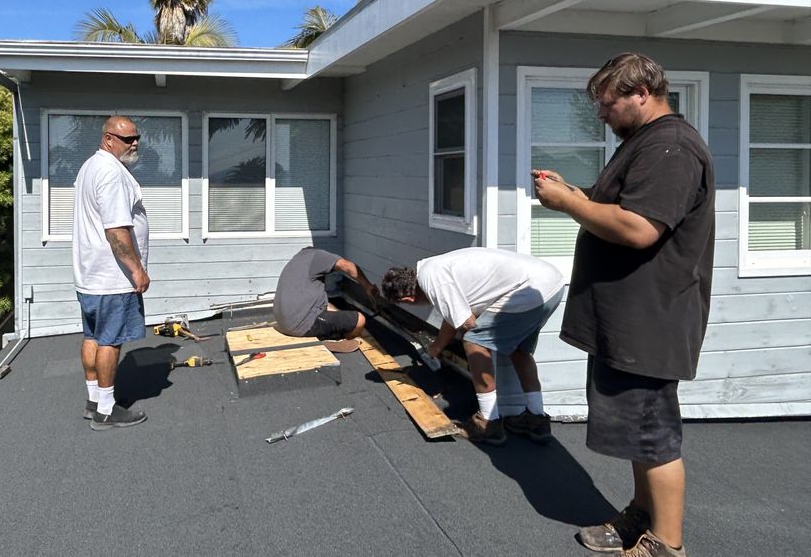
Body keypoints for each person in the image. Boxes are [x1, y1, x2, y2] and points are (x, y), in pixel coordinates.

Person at [534, 52, 715, 557]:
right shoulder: (643, 144)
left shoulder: (672, 148)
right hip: (627, 321)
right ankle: (641, 514)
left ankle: (665, 544)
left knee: (654, 432)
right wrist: (573, 191)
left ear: (640, 94)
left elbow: (639, 229)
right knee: (637, 430)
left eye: (607, 104)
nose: (601, 115)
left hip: (651, 321)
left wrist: (570, 205)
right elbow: (617, 205)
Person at [381, 248, 565, 446]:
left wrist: (467, 344)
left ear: (407, 300)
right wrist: (437, 347)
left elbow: (467, 323)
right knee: (519, 350)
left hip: (528, 289)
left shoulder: (432, 279)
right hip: (550, 285)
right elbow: (453, 316)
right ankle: (537, 420)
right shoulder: (432, 268)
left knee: (474, 340)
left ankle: (488, 423)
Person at [73, 116, 151, 431]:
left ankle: (93, 401)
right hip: (112, 277)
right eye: (126, 138)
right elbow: (116, 231)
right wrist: (136, 271)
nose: (134, 143)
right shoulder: (111, 173)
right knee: (111, 340)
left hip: (90, 276)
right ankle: (105, 410)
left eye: (136, 138)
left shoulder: (90, 167)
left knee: (92, 335)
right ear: (108, 139)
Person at [272, 248, 379, 340]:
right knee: (360, 320)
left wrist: (341, 318)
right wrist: (368, 286)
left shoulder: (298, 261)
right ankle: (341, 340)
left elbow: (324, 305)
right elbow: (346, 266)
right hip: (301, 324)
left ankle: (338, 331)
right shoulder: (319, 256)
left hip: (284, 323)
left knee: (337, 313)